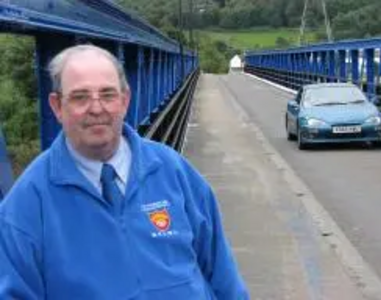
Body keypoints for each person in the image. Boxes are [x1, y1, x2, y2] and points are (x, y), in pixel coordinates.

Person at [0, 45, 249, 300]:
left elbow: (223, 275)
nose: (96, 109)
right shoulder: (26, 204)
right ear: (57, 106)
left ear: (125, 100)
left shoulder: (173, 170)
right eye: (80, 97)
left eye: (107, 95)